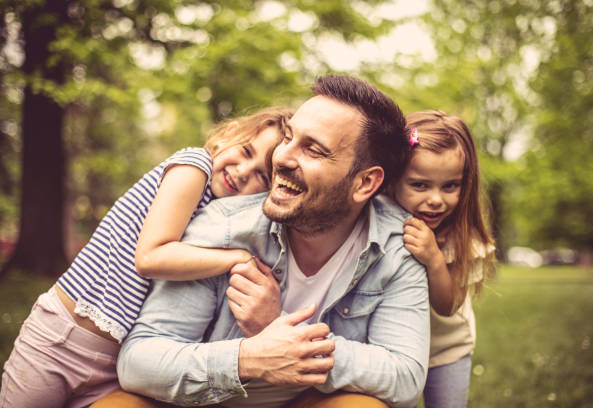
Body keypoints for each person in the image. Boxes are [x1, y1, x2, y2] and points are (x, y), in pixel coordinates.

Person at [114, 75, 430, 408]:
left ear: (365, 183)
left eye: (313, 150)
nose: (280, 159)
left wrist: (280, 330)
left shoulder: (399, 246)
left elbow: (405, 376)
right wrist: (248, 358)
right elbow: (138, 362)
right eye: (289, 137)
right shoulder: (225, 227)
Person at [0, 106, 293, 408]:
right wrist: (237, 258)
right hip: (62, 340)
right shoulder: (195, 166)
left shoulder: (216, 220)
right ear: (229, 135)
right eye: (245, 151)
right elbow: (150, 257)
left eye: (261, 174)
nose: (243, 172)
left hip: (113, 364)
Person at [391, 110, 496, 408]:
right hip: (394, 350)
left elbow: (447, 306)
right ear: (393, 179)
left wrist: (434, 258)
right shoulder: (380, 223)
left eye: (450, 186)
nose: (436, 199)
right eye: (420, 185)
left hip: (447, 351)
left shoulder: (464, 238)